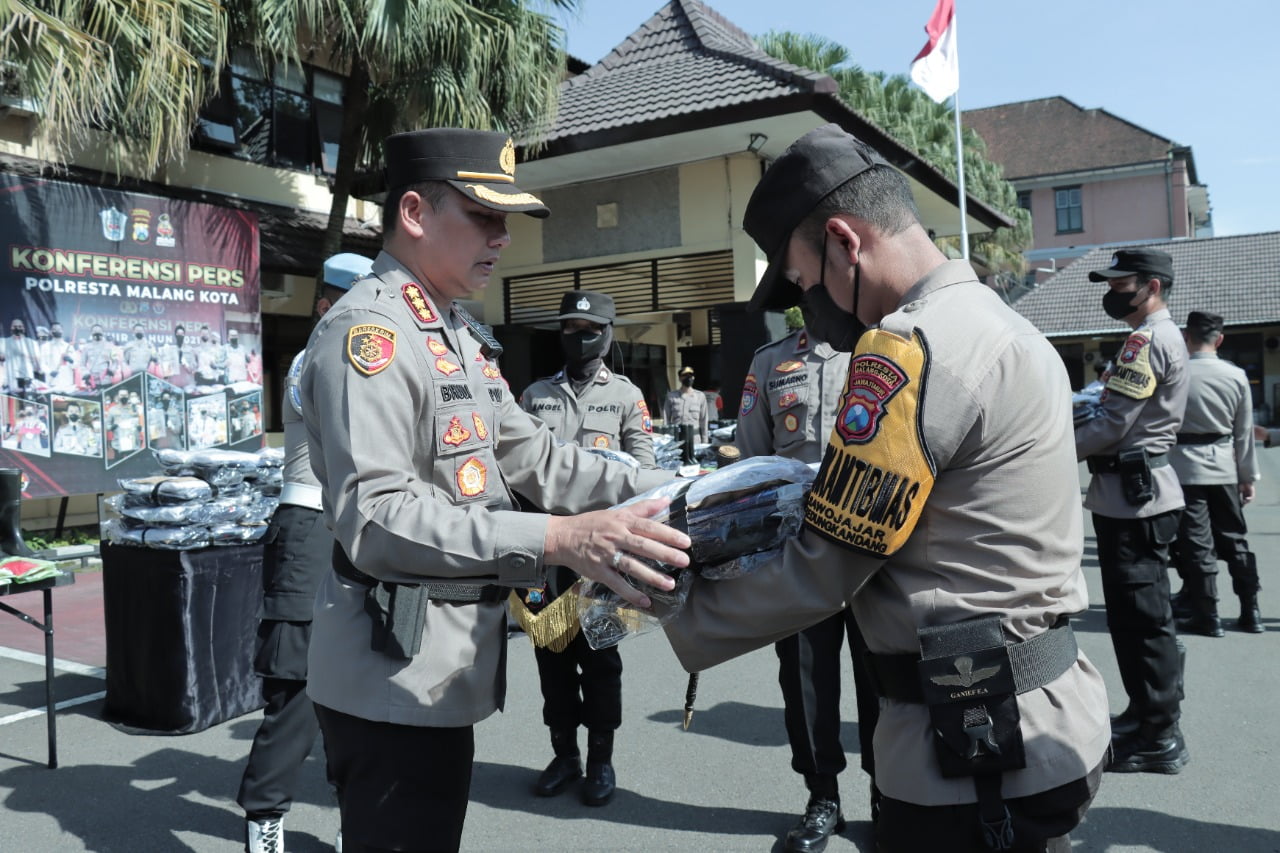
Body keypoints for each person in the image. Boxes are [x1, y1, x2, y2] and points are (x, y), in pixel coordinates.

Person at [662, 124, 1109, 853]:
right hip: (1046, 719)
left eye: (806, 282)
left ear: (846, 242)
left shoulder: (908, 349)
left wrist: (660, 602)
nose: (812, 307)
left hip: (970, 755)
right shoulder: (1005, 325)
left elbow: (826, 563)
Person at [298, 128, 690, 853]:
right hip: (389, 682)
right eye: (484, 215)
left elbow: (539, 456)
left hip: (435, 673)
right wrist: (559, 538)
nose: (503, 237)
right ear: (414, 212)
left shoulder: (454, 334)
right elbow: (377, 519)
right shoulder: (371, 333)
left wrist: (681, 484)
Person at [238, 252, 372, 853]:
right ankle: (265, 818)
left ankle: (356, 812)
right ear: (326, 301)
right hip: (311, 526)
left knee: (364, 686)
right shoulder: (313, 356)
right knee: (294, 688)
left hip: (365, 528)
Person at [736, 321, 880, 852]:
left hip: (872, 552)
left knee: (882, 677)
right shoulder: (771, 360)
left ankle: (887, 793)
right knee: (804, 679)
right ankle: (823, 796)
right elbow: (751, 461)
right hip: (798, 553)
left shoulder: (886, 343)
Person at [515, 289, 656, 808]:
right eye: (570, 328)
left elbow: (642, 473)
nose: (579, 337)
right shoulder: (533, 396)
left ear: (608, 332)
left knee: (600, 660)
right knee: (550, 657)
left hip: (602, 555)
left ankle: (601, 760)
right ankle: (563, 755)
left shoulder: (625, 397)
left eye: (589, 329)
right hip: (546, 551)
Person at [1075, 247, 1190, 775]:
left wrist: (1044, 447)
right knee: (1134, 618)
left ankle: (1161, 734)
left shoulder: (1146, 341)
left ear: (1152, 287)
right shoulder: (1154, 337)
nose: (1115, 292)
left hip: (1134, 499)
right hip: (1134, 493)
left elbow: (1111, 425)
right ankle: (1145, 712)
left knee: (1144, 622)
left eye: (1124, 285)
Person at [1167, 311, 1263, 635]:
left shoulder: (1176, 373)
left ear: (1186, 336)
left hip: (1184, 469)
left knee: (1196, 545)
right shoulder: (1236, 376)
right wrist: (1247, 477)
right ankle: (1252, 612)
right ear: (1219, 339)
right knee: (1235, 541)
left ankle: (1208, 617)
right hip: (1223, 467)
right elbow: (1244, 434)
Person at [664, 365, 709, 444]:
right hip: (677, 439)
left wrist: (705, 441)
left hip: (695, 439)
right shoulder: (671, 396)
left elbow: (704, 420)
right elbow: (666, 419)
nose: (688, 378)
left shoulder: (700, 396)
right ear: (680, 378)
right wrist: (666, 439)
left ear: (693, 378)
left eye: (690, 376)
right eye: (685, 376)